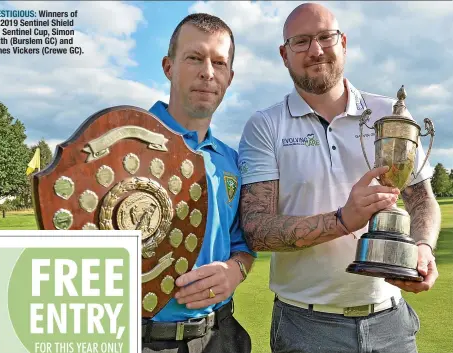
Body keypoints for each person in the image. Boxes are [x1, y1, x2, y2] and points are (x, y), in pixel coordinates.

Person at [238, 3, 441, 353]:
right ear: (284, 54)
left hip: (391, 322)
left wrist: (422, 249)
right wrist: (343, 220)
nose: (315, 50)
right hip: (306, 327)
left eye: (325, 37)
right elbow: (256, 227)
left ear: (343, 42)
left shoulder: (389, 112)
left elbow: (422, 200)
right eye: (300, 41)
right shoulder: (266, 125)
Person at [143, 13, 256, 353]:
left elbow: (244, 243)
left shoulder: (232, 161)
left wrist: (235, 271)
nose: (208, 72)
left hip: (220, 335)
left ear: (229, 77)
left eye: (219, 62)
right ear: (168, 66)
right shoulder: (125, 144)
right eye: (194, 58)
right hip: (141, 339)